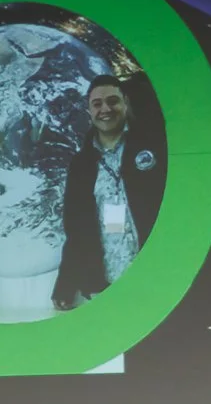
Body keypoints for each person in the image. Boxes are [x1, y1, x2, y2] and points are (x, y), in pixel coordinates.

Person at [52, 73, 167, 310]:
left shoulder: (154, 144)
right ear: (89, 111)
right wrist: (65, 284)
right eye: (97, 104)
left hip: (156, 279)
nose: (105, 109)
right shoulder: (82, 163)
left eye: (113, 101)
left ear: (125, 103)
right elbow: (76, 227)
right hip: (103, 290)